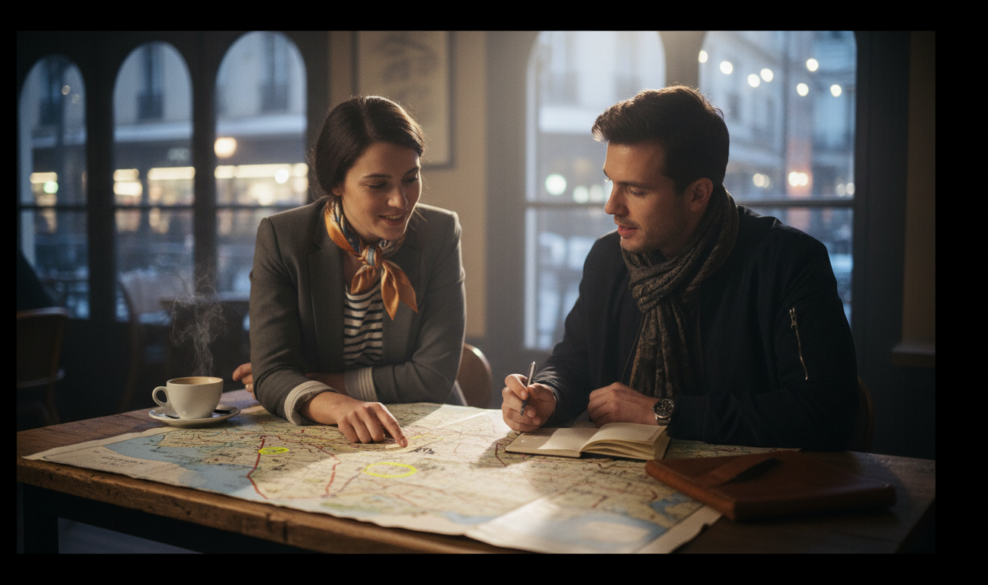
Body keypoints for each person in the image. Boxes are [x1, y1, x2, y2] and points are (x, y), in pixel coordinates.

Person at [502, 85, 859, 451]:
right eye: (610, 182)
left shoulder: (788, 261)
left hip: (747, 491)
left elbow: (826, 412)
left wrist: (663, 412)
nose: (611, 206)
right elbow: (575, 359)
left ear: (697, 194)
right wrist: (549, 392)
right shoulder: (608, 258)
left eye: (636, 190)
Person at [235, 96, 466, 447]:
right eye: (378, 185)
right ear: (336, 183)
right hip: (324, 434)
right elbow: (272, 375)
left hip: (428, 431)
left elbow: (432, 378)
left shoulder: (439, 233)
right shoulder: (283, 238)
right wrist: (339, 405)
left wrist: (317, 381)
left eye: (410, 178)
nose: (400, 201)